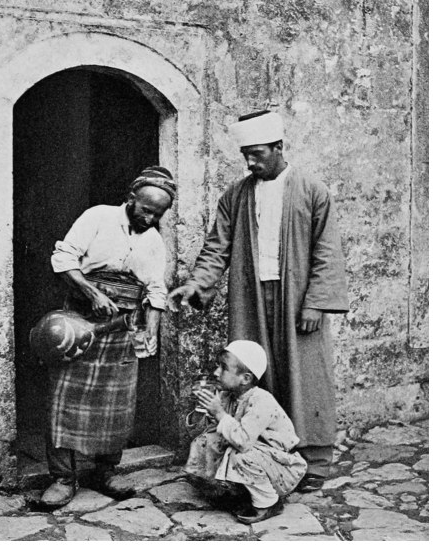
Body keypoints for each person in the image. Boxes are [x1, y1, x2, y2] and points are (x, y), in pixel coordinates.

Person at [168, 109, 349, 491]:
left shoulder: (312, 190)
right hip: (249, 295)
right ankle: (260, 454)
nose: (250, 162)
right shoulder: (236, 195)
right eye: (245, 155)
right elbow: (216, 247)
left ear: (278, 147)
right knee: (252, 376)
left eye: (257, 153)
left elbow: (327, 250)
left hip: (298, 296)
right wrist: (196, 283)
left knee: (306, 374)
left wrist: (316, 302)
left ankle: (315, 460)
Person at [40, 166, 176, 508]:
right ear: (131, 198)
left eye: (158, 214)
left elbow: (155, 290)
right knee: (65, 399)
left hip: (123, 327)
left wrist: (151, 329)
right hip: (79, 320)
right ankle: (62, 477)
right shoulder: (97, 217)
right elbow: (63, 257)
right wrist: (92, 293)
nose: (150, 218)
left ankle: (105, 471)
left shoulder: (153, 240)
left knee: (116, 405)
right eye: (146, 210)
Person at [185, 340, 307, 524]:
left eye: (223, 368)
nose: (216, 372)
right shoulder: (227, 396)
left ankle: (269, 502)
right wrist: (201, 411)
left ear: (246, 378)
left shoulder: (261, 400)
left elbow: (243, 442)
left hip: (278, 467)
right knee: (205, 440)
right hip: (253, 457)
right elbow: (212, 431)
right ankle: (229, 489)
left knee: (241, 456)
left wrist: (220, 413)